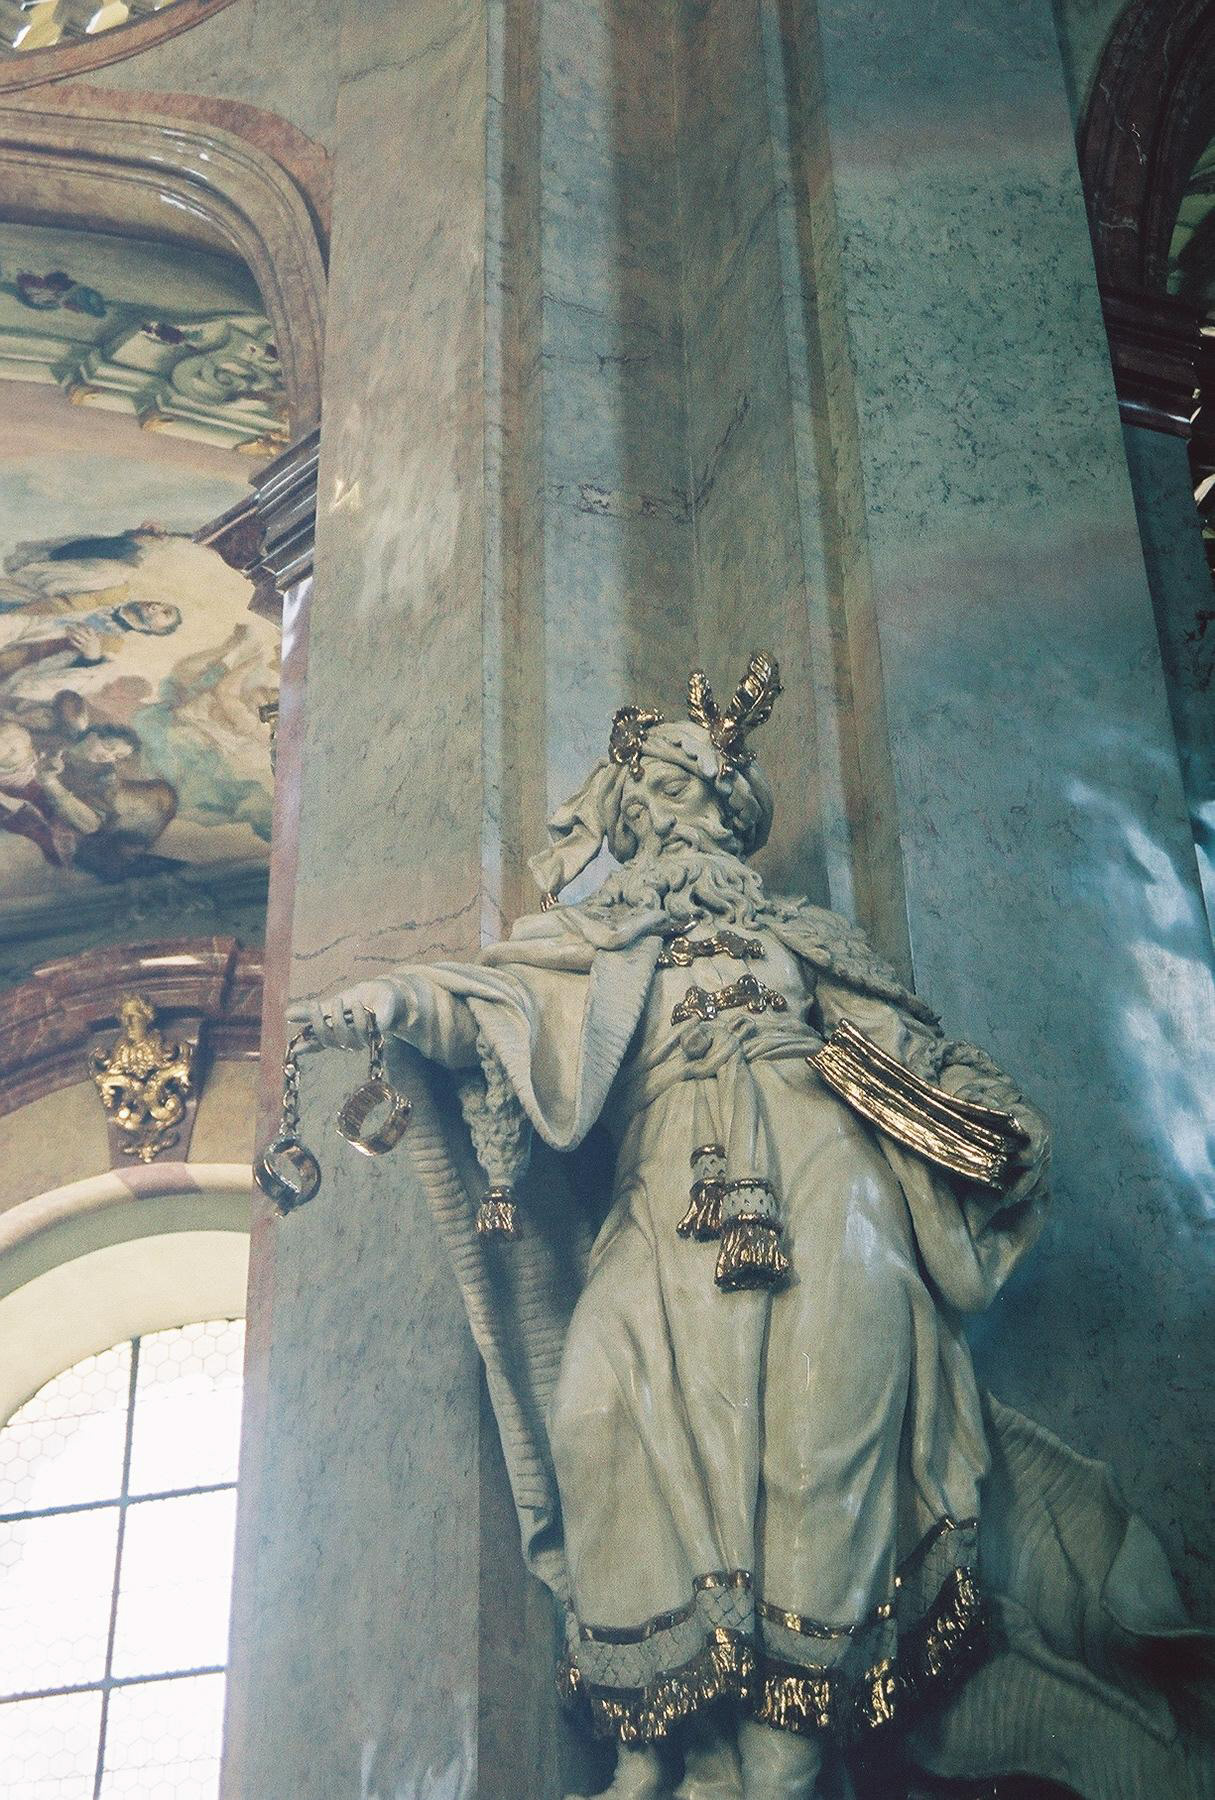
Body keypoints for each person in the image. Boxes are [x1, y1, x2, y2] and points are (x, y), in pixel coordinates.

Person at [292, 658, 1212, 1800]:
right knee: (595, 1413)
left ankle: (787, 1749)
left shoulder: (806, 935)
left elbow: (907, 1054)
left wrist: (995, 1129)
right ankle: (656, 1736)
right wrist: (385, 1003)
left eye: (700, 797)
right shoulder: (582, 948)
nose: (681, 818)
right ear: (630, 823)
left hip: (825, 1180)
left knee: (824, 1439)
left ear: (732, 818)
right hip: (662, 1196)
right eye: (657, 800)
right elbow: (481, 1008)